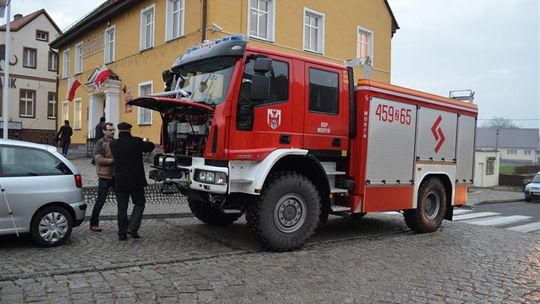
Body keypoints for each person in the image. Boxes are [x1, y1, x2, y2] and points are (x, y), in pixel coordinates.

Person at [110, 122, 154, 241]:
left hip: (120, 180)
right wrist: (145, 141)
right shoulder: (136, 141)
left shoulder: (113, 144)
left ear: (119, 131)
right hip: (135, 180)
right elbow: (150, 146)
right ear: (129, 130)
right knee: (139, 203)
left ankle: (122, 233)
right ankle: (133, 227)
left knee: (122, 208)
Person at [89, 122, 115, 232]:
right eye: (110, 130)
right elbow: (98, 159)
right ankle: (93, 223)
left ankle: (124, 224)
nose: (112, 131)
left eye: (113, 129)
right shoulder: (100, 143)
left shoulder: (116, 142)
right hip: (104, 176)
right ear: (104, 131)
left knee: (122, 199)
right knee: (100, 200)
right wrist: (114, 161)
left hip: (116, 175)